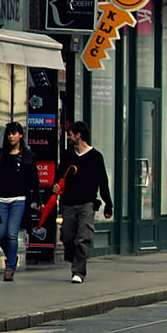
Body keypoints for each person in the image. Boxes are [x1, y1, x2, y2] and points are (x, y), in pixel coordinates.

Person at [54, 122, 113, 284]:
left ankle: (78, 271)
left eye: (70, 134)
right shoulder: (67, 155)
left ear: (79, 135)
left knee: (83, 238)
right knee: (67, 237)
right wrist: (57, 185)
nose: (68, 137)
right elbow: (59, 176)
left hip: (87, 203)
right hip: (69, 203)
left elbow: (103, 182)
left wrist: (108, 204)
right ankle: (75, 259)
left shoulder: (95, 157)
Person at [0, 122, 41, 281]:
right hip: (2, 199)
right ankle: (12, 256)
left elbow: (34, 179)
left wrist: (37, 200)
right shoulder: (1, 154)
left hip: (19, 199)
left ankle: (10, 267)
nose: (11, 136)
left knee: (12, 234)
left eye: (14, 133)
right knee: (0, 233)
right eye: (9, 134)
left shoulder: (27, 155)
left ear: (20, 135)